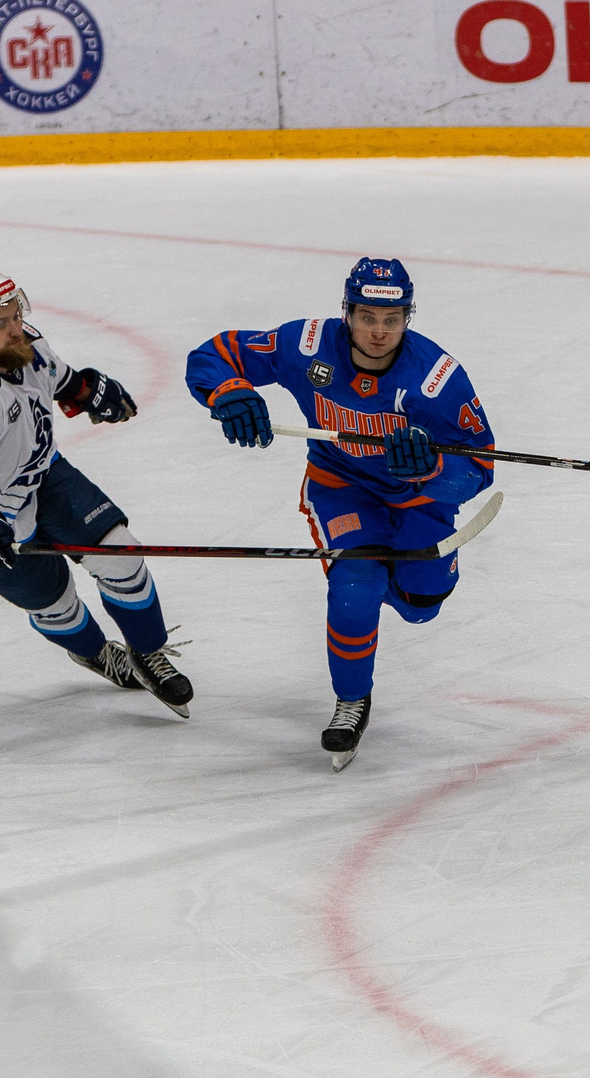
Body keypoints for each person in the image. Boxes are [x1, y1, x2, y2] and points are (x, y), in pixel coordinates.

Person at [183, 258, 494, 769]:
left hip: (417, 498)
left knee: (422, 604)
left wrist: (433, 469)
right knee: (354, 586)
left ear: (408, 317)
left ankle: (392, 574)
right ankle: (352, 700)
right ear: (346, 312)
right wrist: (227, 392)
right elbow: (214, 354)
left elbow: (481, 467)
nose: (378, 331)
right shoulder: (307, 346)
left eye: (391, 319)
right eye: (367, 317)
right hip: (341, 487)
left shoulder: (438, 380)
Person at [0, 266, 193, 715]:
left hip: (45, 477)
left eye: (16, 314)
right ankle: (94, 653)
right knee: (58, 606)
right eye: (0, 323)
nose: (16, 329)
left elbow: (56, 376)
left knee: (122, 556)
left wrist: (84, 390)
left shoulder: (25, 343)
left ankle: (147, 652)